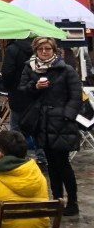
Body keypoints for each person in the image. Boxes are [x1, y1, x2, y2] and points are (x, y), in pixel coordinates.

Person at [18, 36, 82, 216]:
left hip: (61, 122)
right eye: (40, 49)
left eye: (47, 49)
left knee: (62, 163)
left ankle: (73, 202)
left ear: (54, 50)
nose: (44, 52)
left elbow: (76, 95)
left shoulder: (66, 69)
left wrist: (67, 115)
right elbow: (22, 90)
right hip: (42, 122)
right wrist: (35, 86)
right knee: (51, 164)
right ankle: (57, 200)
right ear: (35, 51)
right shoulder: (30, 68)